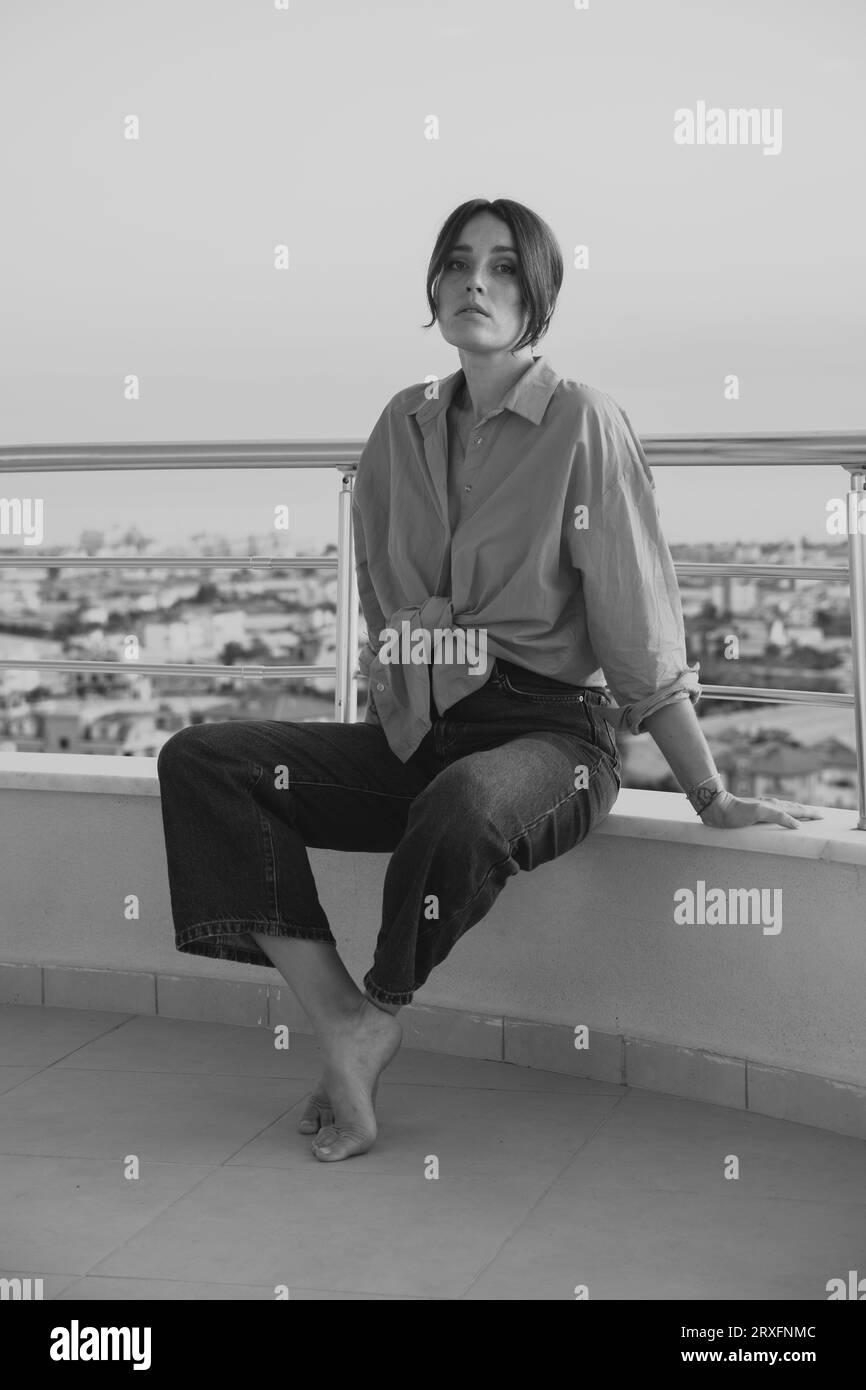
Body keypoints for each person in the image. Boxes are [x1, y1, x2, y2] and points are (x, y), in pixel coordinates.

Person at [156, 197, 821, 1164]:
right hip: (427, 725)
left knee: (465, 802)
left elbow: (636, 629)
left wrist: (707, 792)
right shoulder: (401, 425)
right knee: (205, 762)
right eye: (459, 263)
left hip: (554, 738)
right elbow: (383, 600)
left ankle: (381, 1007)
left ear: (537, 295)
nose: (477, 281)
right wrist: (402, 702)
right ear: (433, 287)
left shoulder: (582, 422)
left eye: (505, 267)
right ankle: (340, 1015)